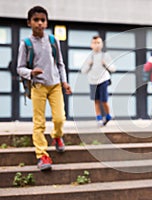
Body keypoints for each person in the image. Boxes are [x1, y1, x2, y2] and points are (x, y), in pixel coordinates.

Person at [17, 6, 72, 171]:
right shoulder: (25, 44)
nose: (39, 23)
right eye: (36, 20)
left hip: (55, 85)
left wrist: (64, 82)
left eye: (43, 20)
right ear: (29, 23)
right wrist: (30, 73)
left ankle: (57, 136)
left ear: (46, 23)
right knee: (39, 122)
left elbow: (60, 63)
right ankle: (42, 155)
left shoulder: (53, 41)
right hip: (38, 86)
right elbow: (19, 68)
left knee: (59, 118)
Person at [81, 35, 116, 127]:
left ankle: (108, 115)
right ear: (91, 45)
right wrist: (89, 64)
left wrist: (106, 64)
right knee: (96, 101)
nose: (96, 45)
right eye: (94, 43)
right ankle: (99, 118)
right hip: (92, 81)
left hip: (103, 80)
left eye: (98, 43)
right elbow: (83, 71)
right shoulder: (89, 57)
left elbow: (113, 69)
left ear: (102, 44)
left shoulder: (105, 55)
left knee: (104, 100)